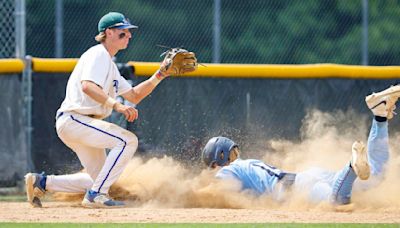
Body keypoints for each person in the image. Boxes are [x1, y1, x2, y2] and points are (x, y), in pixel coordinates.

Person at [25, 12, 174, 208]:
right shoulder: (98, 54)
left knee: (100, 178)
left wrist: (160, 74)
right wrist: (116, 105)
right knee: (128, 140)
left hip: (79, 122)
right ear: (108, 33)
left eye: (129, 32)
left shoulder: (109, 64)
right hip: (76, 119)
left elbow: (134, 95)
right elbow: (88, 86)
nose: (128, 35)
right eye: (123, 32)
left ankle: (42, 182)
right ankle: (96, 196)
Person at [202, 85, 400, 205]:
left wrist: (192, 191)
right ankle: (380, 116)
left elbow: (216, 193)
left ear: (217, 160)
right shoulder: (246, 164)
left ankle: (352, 165)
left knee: (337, 200)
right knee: (376, 176)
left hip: (298, 188)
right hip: (306, 178)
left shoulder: (230, 170)